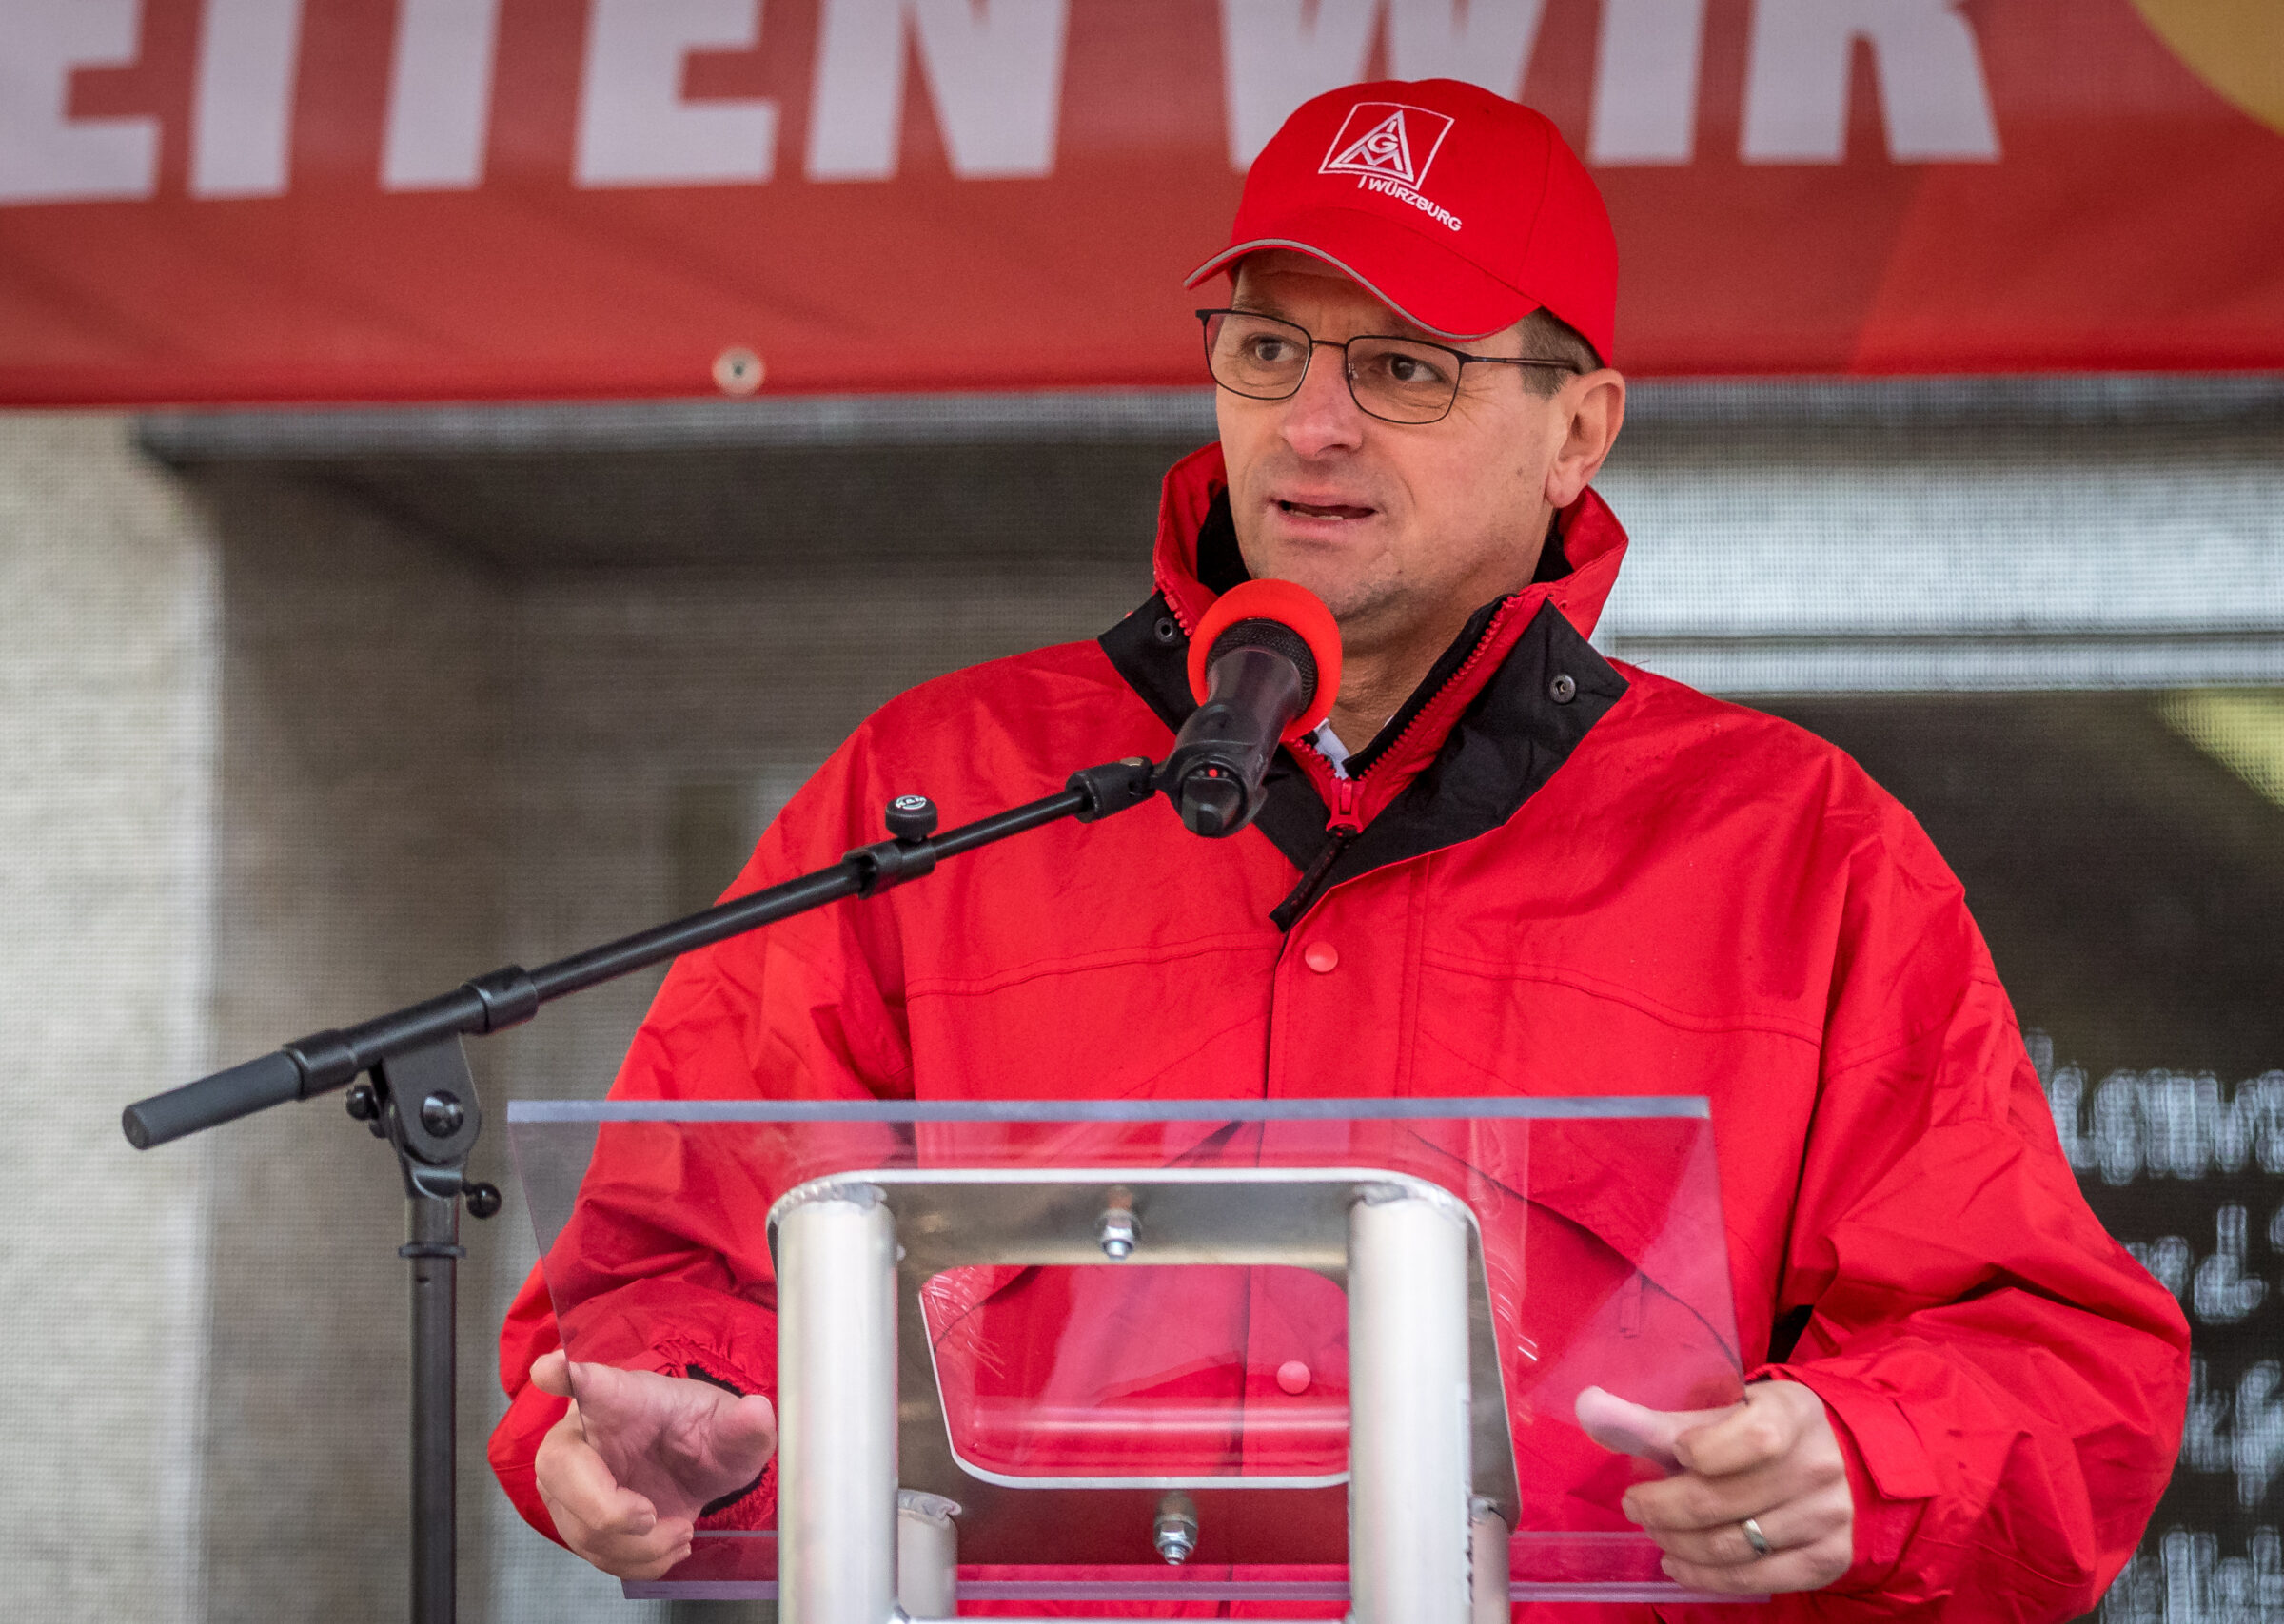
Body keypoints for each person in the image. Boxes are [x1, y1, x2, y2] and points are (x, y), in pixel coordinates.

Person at [488, 79, 2188, 1616]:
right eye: (1267, 350)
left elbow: (2061, 1373)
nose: (1312, 425)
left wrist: (1861, 1460)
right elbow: (662, 1272)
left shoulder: (1796, 849)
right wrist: (673, 1424)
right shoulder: (939, 790)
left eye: (1404, 367)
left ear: (1579, 430)